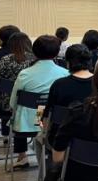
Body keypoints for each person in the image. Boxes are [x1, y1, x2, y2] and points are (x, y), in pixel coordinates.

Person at [9, 35, 69, 168]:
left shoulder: (25, 74)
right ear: (56, 53)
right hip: (53, 124)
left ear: (34, 52)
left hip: (27, 123)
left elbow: (13, 103)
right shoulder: (65, 74)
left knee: (23, 114)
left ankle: (22, 156)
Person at [44, 44, 94, 143]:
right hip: (90, 139)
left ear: (68, 62)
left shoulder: (59, 84)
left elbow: (46, 112)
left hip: (59, 139)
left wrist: (40, 129)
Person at [0, 32, 36, 130]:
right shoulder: (36, 60)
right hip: (34, 104)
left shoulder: (5, 60)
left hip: (8, 105)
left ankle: (7, 131)